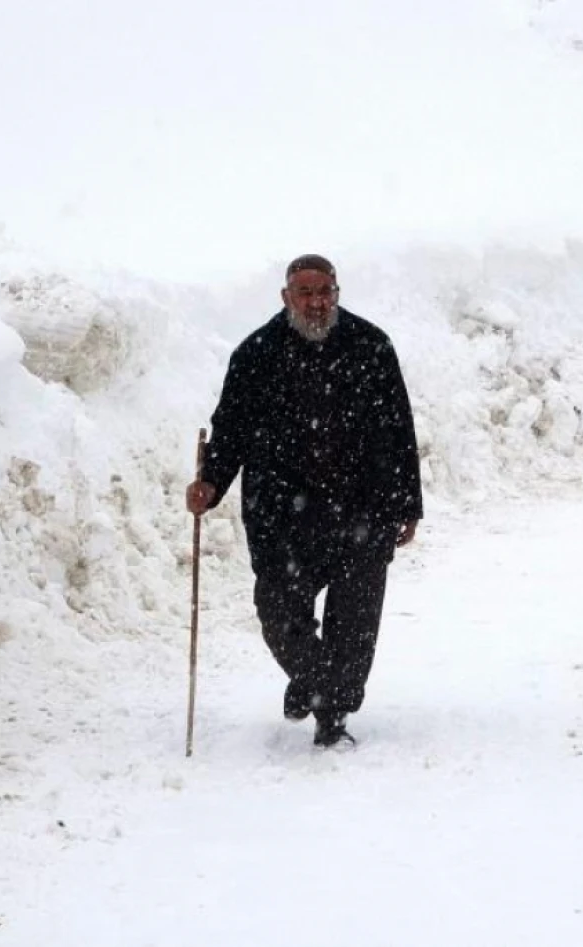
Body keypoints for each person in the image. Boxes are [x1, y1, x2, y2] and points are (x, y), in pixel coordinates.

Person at [185, 254, 422, 748]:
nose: (316, 303)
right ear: (286, 297)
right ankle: (319, 683)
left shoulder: (371, 347)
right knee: (279, 613)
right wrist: (209, 482)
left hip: (362, 507)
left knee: (354, 624)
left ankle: (330, 716)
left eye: (325, 292)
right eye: (306, 294)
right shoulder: (256, 355)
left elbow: (399, 430)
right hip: (282, 512)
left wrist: (406, 505)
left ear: (337, 292)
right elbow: (230, 431)